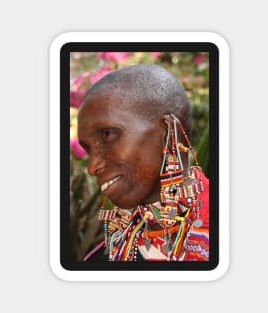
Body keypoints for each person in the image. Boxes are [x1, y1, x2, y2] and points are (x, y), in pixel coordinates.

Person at [77, 64, 209, 262]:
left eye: (108, 134)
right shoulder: (105, 260)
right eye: (88, 149)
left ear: (168, 132)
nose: (92, 167)